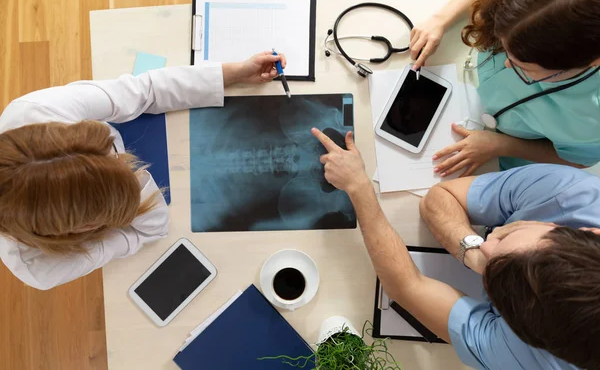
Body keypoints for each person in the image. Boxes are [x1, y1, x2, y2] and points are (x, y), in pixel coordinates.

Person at [312, 127, 600, 370]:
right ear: (588, 231)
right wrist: (475, 254)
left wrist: (360, 189)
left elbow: (407, 287)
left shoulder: (525, 359)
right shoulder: (577, 195)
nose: (490, 240)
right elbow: (439, 199)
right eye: (511, 231)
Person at [0, 51, 286, 290]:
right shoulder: (38, 268)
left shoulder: (34, 111)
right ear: (85, 226)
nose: (124, 159)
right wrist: (134, 185)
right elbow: (152, 228)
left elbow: (143, 90)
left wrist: (231, 74)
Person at [409, 0, 600, 176]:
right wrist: (441, 19)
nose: (507, 64)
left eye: (525, 67)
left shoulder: (593, 118)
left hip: (507, 154)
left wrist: (501, 145)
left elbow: (578, 160)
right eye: (503, 47)